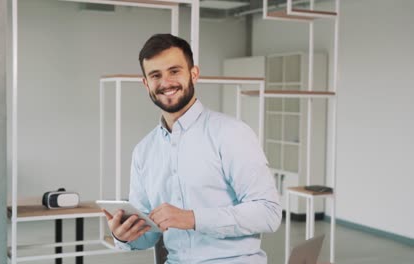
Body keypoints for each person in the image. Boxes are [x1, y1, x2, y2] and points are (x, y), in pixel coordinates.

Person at [102, 33, 281, 264]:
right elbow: (148, 236)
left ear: (193, 74)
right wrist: (124, 236)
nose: (166, 83)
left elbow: (269, 213)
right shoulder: (143, 152)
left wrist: (193, 218)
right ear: (146, 84)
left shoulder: (231, 133)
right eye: (156, 75)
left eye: (174, 71)